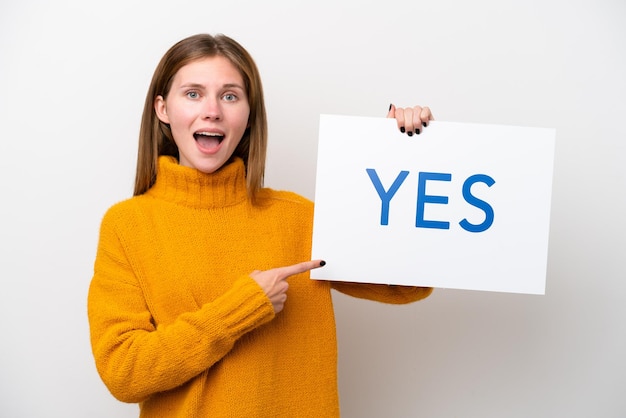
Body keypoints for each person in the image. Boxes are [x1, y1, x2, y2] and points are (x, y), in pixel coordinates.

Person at [87, 33, 434, 417]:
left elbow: (407, 284)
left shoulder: (299, 218)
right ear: (162, 108)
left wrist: (403, 158)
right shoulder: (128, 226)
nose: (213, 110)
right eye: (193, 93)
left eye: (230, 96)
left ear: (249, 114)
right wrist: (243, 308)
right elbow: (124, 372)